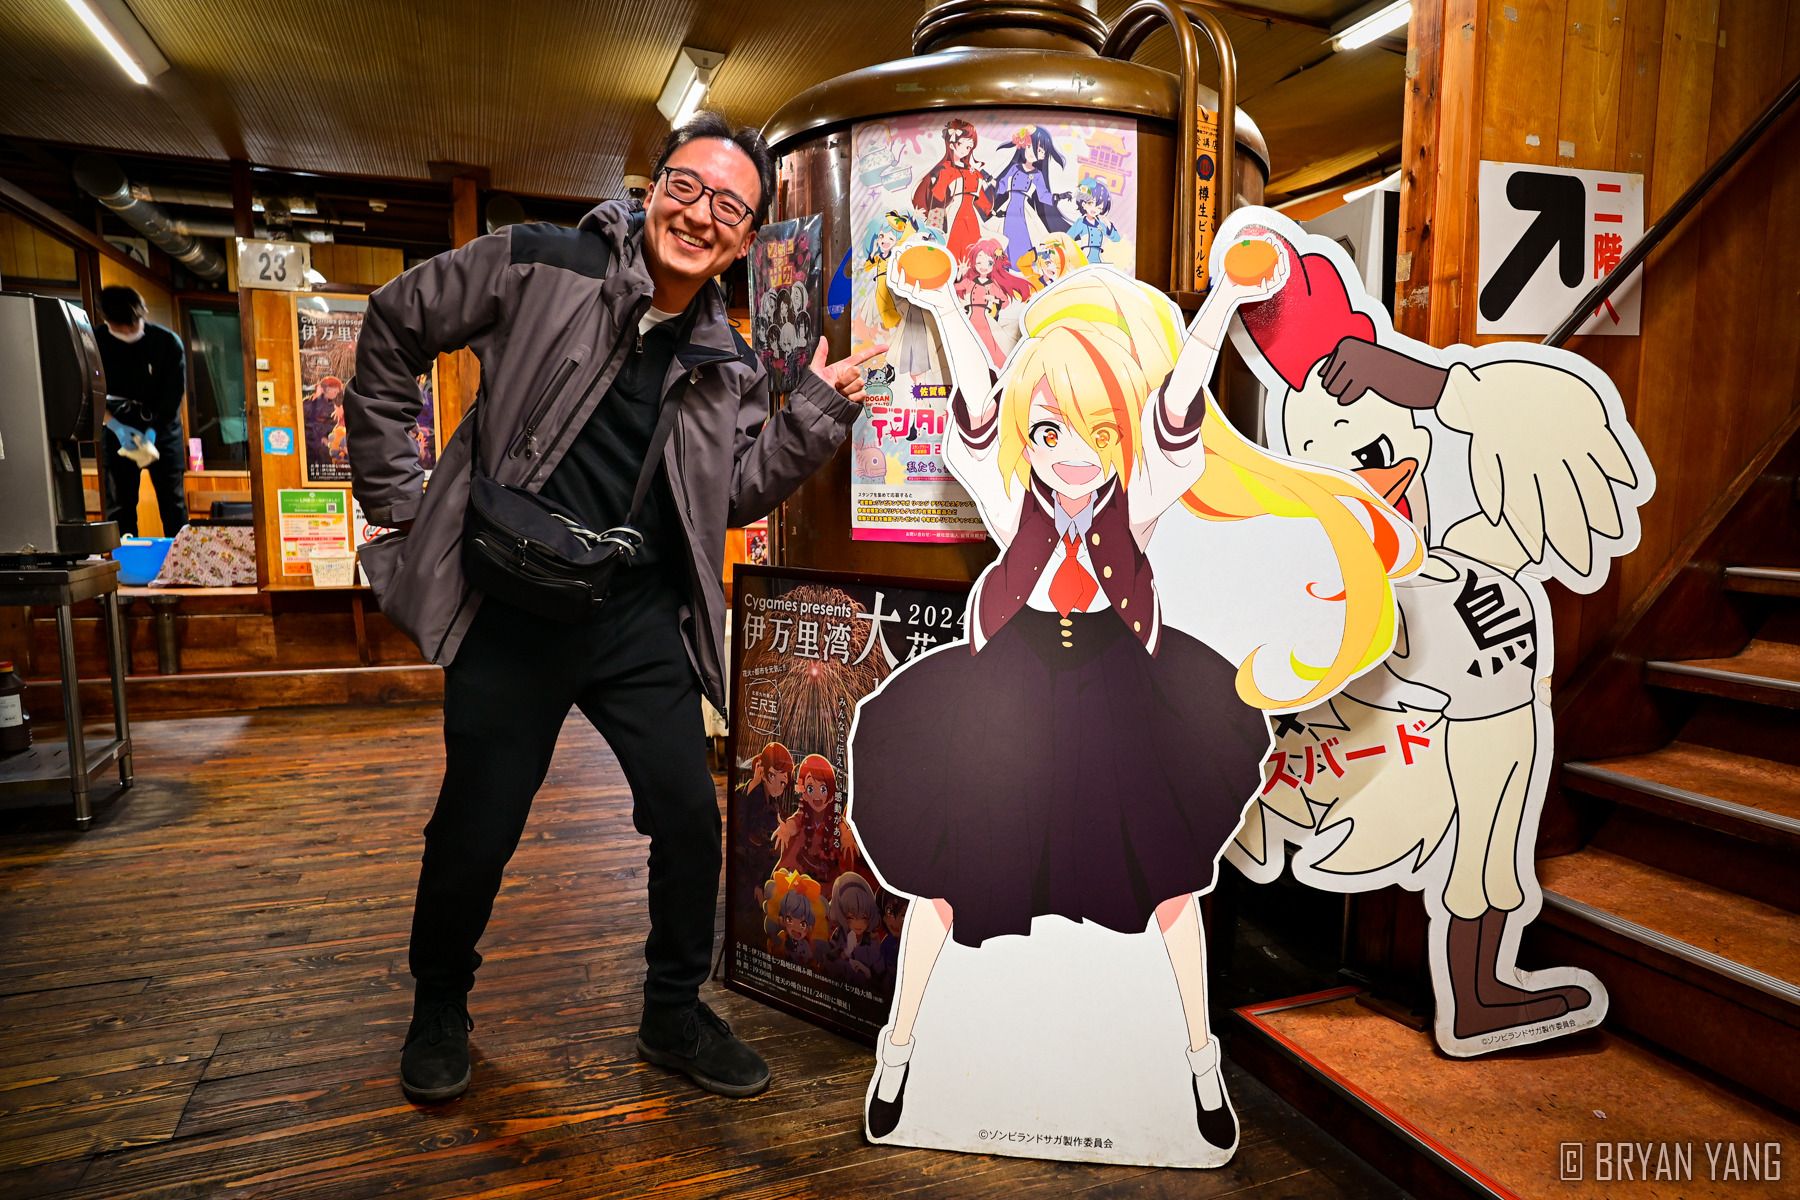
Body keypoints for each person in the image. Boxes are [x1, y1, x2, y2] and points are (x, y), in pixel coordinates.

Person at [342, 111, 883, 1105]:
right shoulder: (539, 263)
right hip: (510, 603)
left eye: (730, 207)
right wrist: (396, 504)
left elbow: (731, 493)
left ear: (744, 239)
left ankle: (673, 1012)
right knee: (476, 827)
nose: (701, 214)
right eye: (687, 187)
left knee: (690, 818)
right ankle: (439, 1003)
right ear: (652, 190)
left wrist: (813, 410)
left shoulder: (726, 358)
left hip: (635, 615)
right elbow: (392, 327)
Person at [94, 285, 187, 536]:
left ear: (143, 314)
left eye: (133, 325)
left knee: (174, 505)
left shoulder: (167, 342)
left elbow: (173, 396)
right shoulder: (93, 342)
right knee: (119, 506)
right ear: (106, 320)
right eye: (119, 327)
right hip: (116, 422)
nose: (128, 331)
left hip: (162, 425)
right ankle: (124, 558)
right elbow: (89, 393)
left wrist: (153, 431)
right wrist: (114, 426)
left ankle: (180, 558)